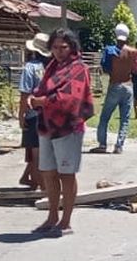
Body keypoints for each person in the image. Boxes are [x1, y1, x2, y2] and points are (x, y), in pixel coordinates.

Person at [28, 28, 93, 235]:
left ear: (72, 47)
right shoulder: (52, 67)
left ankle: (66, 221)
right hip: (47, 126)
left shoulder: (79, 68)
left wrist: (42, 101)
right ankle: (52, 216)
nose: (59, 51)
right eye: (55, 47)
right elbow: (44, 90)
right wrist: (34, 99)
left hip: (69, 128)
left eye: (63, 47)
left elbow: (70, 100)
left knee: (66, 174)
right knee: (48, 173)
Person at [92, 23, 136, 154]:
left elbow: (105, 68)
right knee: (125, 118)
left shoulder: (110, 50)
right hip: (128, 86)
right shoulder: (133, 52)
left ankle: (102, 144)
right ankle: (119, 145)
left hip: (115, 84)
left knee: (105, 117)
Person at [17, 32, 49, 190]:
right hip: (50, 114)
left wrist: (21, 115)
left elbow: (25, 94)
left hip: (33, 114)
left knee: (35, 154)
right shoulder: (52, 68)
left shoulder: (30, 67)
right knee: (45, 153)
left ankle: (43, 188)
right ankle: (45, 186)